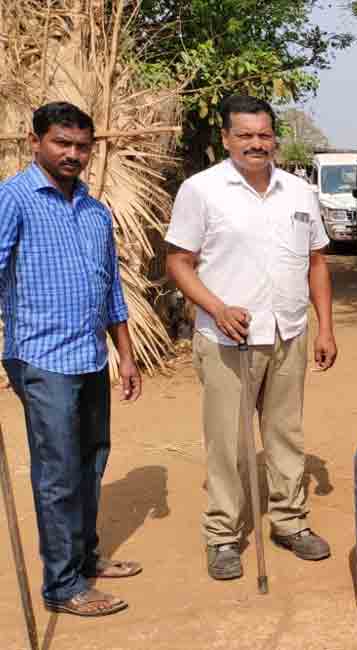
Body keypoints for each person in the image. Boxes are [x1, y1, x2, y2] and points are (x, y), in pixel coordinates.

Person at [166, 94, 338, 581]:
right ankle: (222, 535)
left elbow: (317, 263)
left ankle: (290, 522)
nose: (256, 144)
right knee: (229, 441)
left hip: (289, 331)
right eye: (245, 135)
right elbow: (178, 261)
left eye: (263, 135)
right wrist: (216, 308)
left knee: (286, 434)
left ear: (274, 138)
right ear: (225, 138)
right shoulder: (201, 190)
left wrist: (325, 326)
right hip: (227, 339)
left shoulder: (299, 191)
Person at [0, 102, 143, 617]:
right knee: (58, 472)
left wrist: (125, 356)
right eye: (62, 143)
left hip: (89, 356)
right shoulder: (13, 199)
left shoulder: (93, 209)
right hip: (40, 358)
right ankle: (62, 586)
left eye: (82, 146)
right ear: (34, 139)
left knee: (91, 459)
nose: (73, 154)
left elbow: (111, 291)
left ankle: (83, 557)